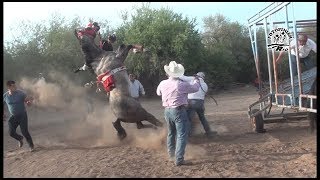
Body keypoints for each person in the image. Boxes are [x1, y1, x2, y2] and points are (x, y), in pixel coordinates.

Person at [156, 61, 200, 166]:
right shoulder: (181, 84)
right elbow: (195, 88)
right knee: (181, 135)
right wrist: (197, 80)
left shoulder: (162, 83)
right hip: (178, 110)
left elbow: (158, 93)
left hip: (167, 110)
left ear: (168, 73)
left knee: (171, 133)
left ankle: (171, 155)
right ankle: (179, 159)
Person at [3, 80, 35, 152]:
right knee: (11, 133)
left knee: (24, 131)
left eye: (15, 85)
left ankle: (31, 146)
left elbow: (26, 100)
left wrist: (28, 102)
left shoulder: (20, 93)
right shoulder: (5, 96)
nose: (15, 87)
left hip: (22, 115)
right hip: (13, 116)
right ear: (9, 87)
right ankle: (20, 138)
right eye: (13, 86)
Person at [185, 72, 217, 137]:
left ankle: (187, 134)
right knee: (202, 118)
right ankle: (208, 132)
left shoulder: (192, 81)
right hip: (200, 103)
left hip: (191, 102)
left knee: (189, 119)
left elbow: (183, 78)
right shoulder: (205, 85)